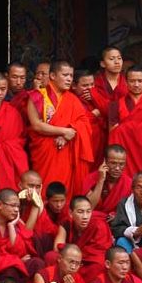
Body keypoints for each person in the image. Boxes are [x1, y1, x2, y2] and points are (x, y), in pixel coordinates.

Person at [28, 61, 94, 196]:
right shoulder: (37, 96)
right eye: (65, 75)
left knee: (64, 192)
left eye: (71, 75)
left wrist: (67, 135)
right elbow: (36, 125)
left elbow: (83, 123)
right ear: (52, 75)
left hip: (65, 153)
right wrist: (64, 131)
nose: (69, 79)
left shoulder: (73, 99)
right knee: (44, 188)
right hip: (45, 152)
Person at [108, 66, 142, 178]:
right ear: (126, 82)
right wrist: (120, 130)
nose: (136, 84)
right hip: (124, 156)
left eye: (140, 81)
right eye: (132, 81)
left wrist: (123, 128)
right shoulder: (115, 105)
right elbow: (113, 133)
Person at [54, 195, 113, 283]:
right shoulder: (67, 223)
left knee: (98, 267)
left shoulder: (99, 226)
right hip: (72, 260)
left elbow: (99, 253)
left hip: (90, 263)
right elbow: (57, 247)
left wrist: (73, 254)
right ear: (70, 213)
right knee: (52, 257)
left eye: (88, 212)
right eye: (80, 212)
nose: (85, 216)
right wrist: (71, 255)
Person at [83, 144, 132, 217]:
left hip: (117, 222)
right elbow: (89, 207)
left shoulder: (128, 183)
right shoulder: (91, 178)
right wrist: (100, 180)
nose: (117, 168)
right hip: (93, 220)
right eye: (113, 163)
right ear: (105, 161)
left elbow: (130, 211)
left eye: (121, 164)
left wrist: (117, 216)